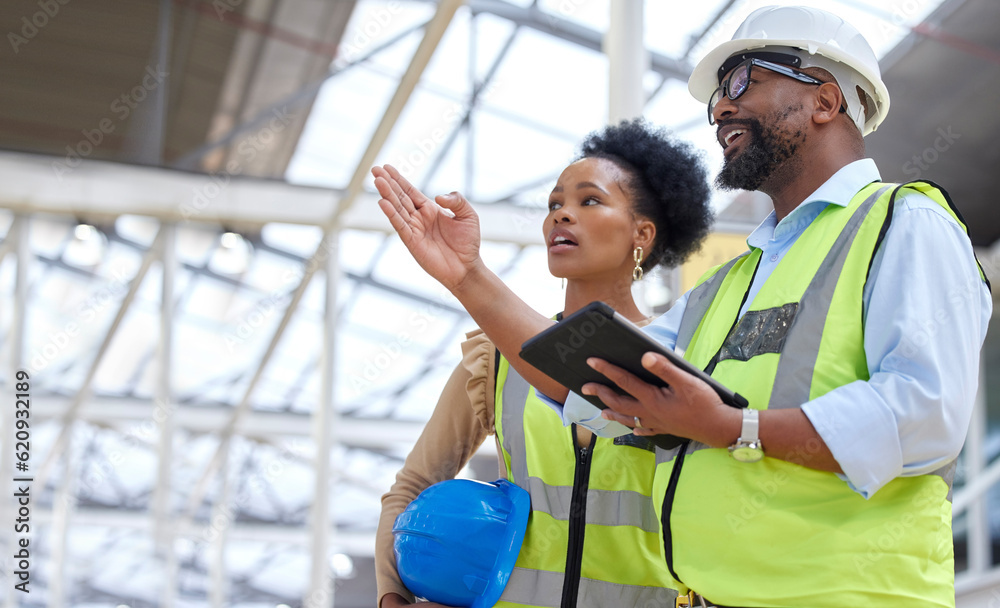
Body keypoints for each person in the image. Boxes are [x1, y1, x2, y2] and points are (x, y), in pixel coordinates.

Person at [376, 5, 992, 608]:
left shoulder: (904, 222)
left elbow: (924, 418)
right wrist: (467, 276)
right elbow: (597, 381)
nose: (722, 105)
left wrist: (733, 428)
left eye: (746, 79)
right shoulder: (730, 285)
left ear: (825, 101)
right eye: (718, 92)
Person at [373, 119, 713, 608]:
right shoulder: (496, 357)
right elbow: (414, 484)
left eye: (588, 201)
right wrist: (392, 596)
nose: (562, 216)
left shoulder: (684, 360)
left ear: (642, 233)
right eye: (555, 204)